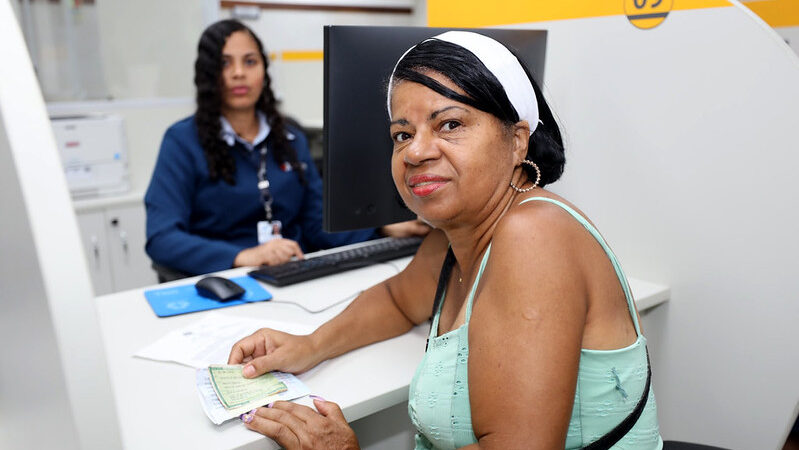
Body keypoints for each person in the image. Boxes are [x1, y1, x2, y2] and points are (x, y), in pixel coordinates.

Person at [227, 31, 663, 449]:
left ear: (517, 142)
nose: (415, 152)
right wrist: (310, 345)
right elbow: (399, 300)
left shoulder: (534, 236)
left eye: (450, 124)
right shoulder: (460, 233)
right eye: (402, 134)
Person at [144, 19, 427, 278]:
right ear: (207, 75)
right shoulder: (182, 141)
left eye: (250, 61)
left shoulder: (289, 136)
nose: (239, 73)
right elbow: (162, 238)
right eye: (224, 64)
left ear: (264, 70)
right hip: (225, 280)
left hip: (291, 274)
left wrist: (380, 229)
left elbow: (317, 224)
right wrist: (242, 256)